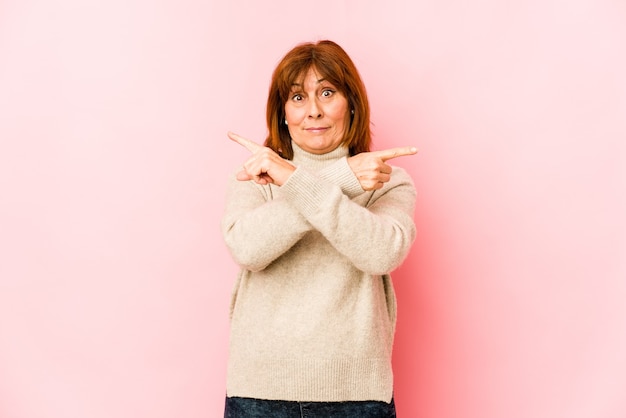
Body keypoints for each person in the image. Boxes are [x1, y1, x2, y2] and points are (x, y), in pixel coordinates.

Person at [221, 40, 418, 418]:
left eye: (327, 92)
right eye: (297, 97)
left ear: (352, 104)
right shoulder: (256, 177)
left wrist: (304, 182)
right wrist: (340, 179)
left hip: (356, 394)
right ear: (281, 112)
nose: (313, 111)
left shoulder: (387, 180)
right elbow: (248, 249)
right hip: (259, 391)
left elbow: (382, 253)